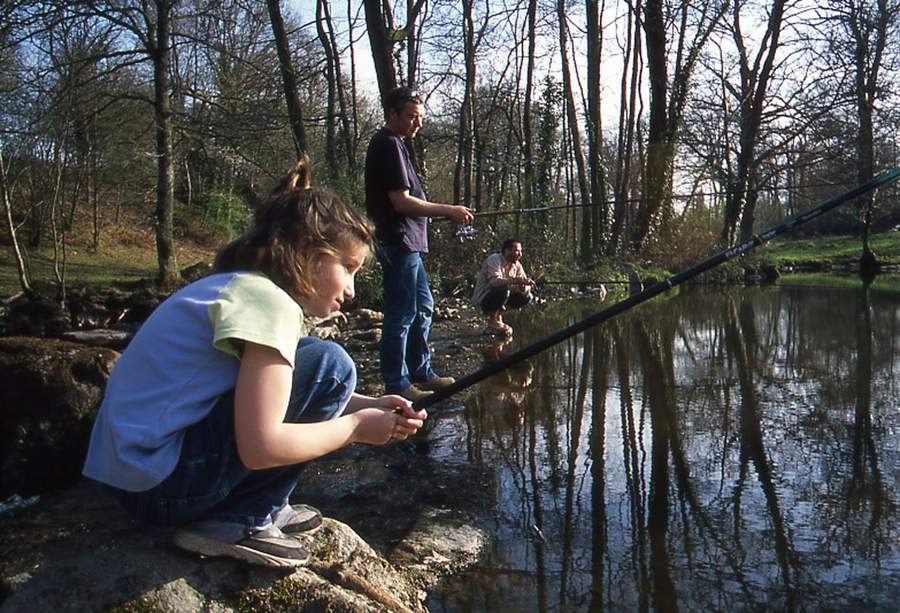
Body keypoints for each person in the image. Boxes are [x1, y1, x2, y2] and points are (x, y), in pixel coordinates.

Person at [82, 157, 427, 568]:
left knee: (326, 373)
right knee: (330, 363)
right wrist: (354, 428)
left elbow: (270, 391)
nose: (351, 290)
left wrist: (369, 405)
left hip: (134, 480)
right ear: (305, 251)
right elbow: (261, 446)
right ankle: (239, 519)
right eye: (348, 268)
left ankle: (257, 508)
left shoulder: (236, 288)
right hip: (163, 486)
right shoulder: (269, 303)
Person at [365, 86, 474, 402]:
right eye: (412, 117)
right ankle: (396, 383)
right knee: (400, 313)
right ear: (393, 114)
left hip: (409, 243)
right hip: (398, 241)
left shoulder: (397, 144)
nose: (418, 123)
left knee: (423, 306)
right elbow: (400, 202)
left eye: (421, 117)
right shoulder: (387, 144)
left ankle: (420, 372)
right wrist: (449, 210)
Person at [471, 238, 534, 336]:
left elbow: (524, 285)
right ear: (507, 251)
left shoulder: (517, 265)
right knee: (503, 289)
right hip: (483, 299)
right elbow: (495, 282)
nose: (520, 254)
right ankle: (493, 321)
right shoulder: (494, 259)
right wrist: (516, 280)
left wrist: (523, 287)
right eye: (517, 251)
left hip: (501, 297)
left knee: (527, 297)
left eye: (520, 251)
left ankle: (497, 316)